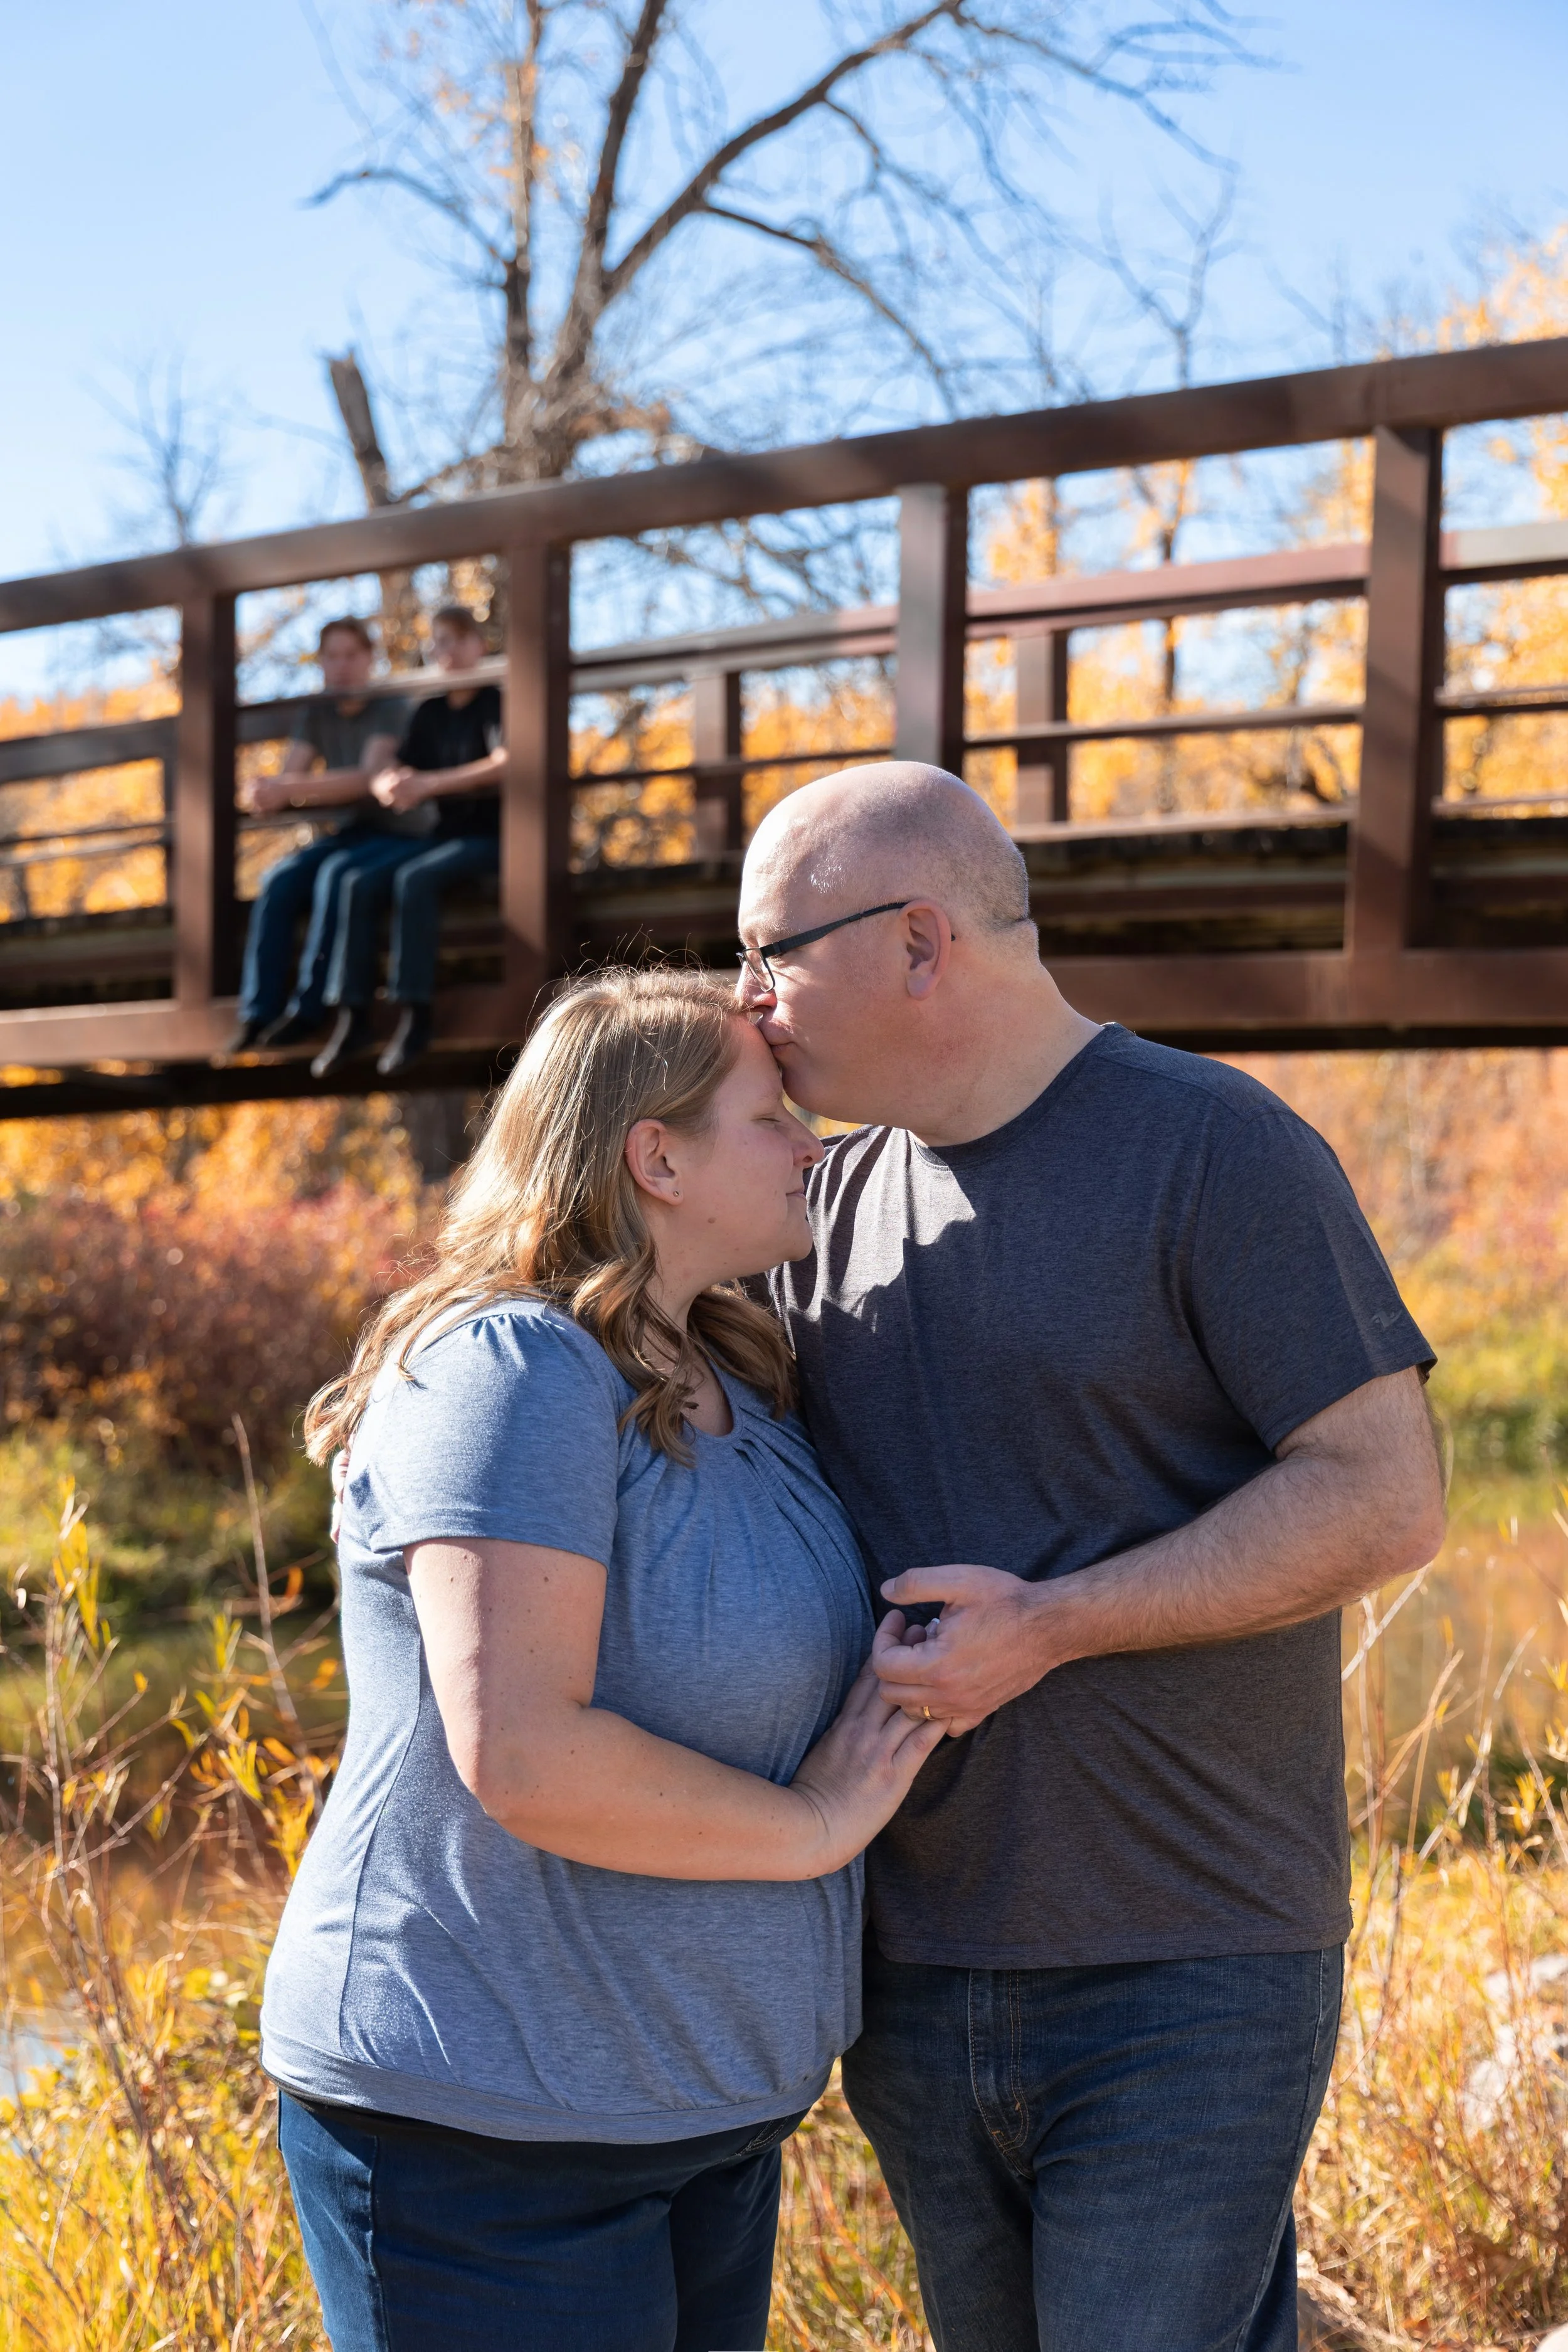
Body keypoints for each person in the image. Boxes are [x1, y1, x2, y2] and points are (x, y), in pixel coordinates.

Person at [735, 761, 1448, 2352]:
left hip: (1186, 1959)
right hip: (910, 1962)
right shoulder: (817, 1203)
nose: (747, 998)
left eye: (770, 946)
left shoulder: (1216, 1149)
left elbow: (1385, 1495)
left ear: (920, 940)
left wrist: (1055, 1622)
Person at [262, 966, 943, 2352]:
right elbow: (524, 1753)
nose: (813, 1147)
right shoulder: (508, 1368)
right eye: (770, 1116)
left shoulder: (729, 1371)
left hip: (695, 2115)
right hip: (481, 2126)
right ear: (656, 1156)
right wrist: (815, 1823)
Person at [310, 603, 504, 1081]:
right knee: (358, 881)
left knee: (414, 880)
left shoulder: (496, 701)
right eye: (439, 642)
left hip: (491, 837)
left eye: (459, 640)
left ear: (480, 646)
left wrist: (430, 785)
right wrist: (388, 785)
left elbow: (505, 761)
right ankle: (351, 1012)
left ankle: (415, 1012)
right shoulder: (431, 711)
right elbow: (398, 768)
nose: (449, 652)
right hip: (442, 837)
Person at [223, 617, 413, 1055]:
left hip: (397, 833)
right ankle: (258, 1012)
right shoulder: (316, 712)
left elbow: (367, 778)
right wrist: (266, 791)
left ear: (369, 659)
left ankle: (310, 1008)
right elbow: (292, 777)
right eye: (333, 656)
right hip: (347, 833)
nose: (342, 666)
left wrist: (287, 789)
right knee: (278, 880)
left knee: (334, 876)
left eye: (352, 655)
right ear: (321, 663)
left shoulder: (391, 706)